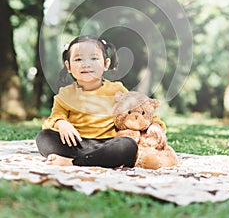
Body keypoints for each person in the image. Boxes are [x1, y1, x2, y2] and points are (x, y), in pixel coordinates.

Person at [36, 35, 166, 168]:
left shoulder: (117, 90)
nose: (86, 64)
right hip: (77, 144)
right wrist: (61, 123)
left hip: (109, 144)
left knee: (127, 145)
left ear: (106, 64)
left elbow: (139, 108)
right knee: (44, 137)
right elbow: (53, 118)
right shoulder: (65, 94)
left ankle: (74, 162)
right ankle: (95, 159)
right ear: (68, 66)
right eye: (79, 59)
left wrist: (154, 125)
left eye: (94, 58)